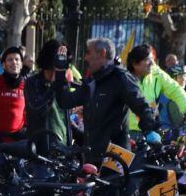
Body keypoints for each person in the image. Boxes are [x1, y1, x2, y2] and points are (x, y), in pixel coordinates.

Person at [55, 38, 159, 166]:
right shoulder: (93, 81)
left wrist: (149, 130)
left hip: (115, 159)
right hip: (91, 157)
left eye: (88, 52)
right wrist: (60, 72)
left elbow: (141, 105)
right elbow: (66, 101)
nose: (85, 57)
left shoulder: (121, 78)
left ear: (102, 53)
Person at [126, 44, 186, 131]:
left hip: (151, 129)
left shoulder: (156, 73)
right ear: (135, 64)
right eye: (147, 60)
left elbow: (175, 89)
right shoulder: (124, 78)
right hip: (128, 132)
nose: (152, 63)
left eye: (152, 59)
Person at [25, 39, 71, 153]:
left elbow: (63, 117)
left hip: (63, 149)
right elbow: (37, 110)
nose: (62, 63)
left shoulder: (64, 83)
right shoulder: (33, 82)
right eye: (59, 58)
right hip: (41, 150)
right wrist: (54, 86)